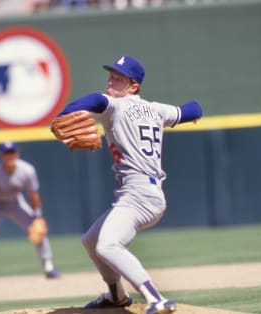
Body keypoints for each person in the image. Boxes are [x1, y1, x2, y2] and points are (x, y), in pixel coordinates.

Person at [55, 55, 202, 314]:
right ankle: (116, 296)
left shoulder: (116, 105)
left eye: (119, 78)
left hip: (140, 195)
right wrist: (194, 114)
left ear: (133, 86)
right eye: (111, 75)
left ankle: (157, 298)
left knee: (108, 245)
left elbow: (96, 100)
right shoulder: (157, 109)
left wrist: (65, 112)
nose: (111, 81)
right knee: (91, 241)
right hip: (142, 194)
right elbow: (192, 108)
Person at [0, 141, 60, 284]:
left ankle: (48, 267)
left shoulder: (27, 170)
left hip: (15, 202)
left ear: (17, 153)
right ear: (0, 155)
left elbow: (33, 194)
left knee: (38, 230)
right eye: (6, 153)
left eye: (12, 152)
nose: (10, 155)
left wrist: (38, 216)